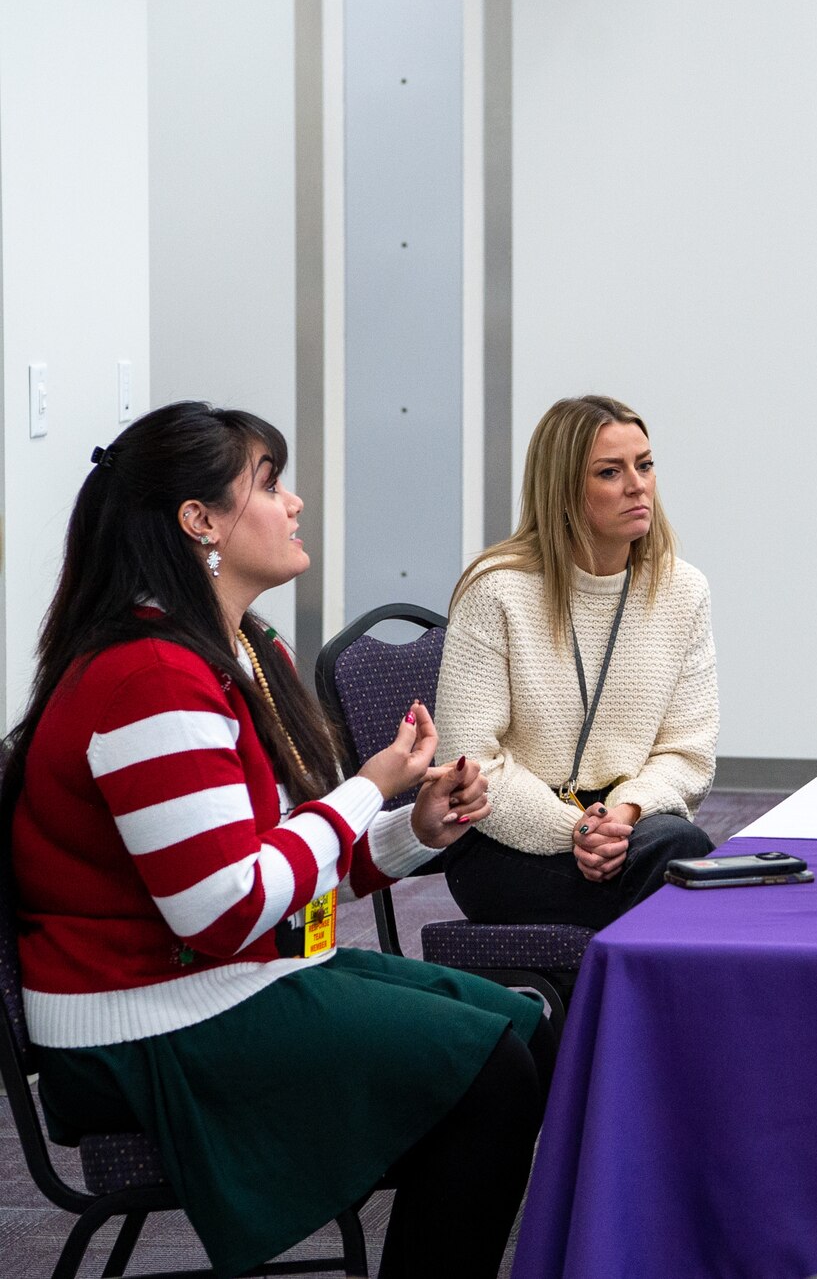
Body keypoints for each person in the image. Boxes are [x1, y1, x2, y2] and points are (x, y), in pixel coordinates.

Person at [4, 402, 551, 1279]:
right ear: (201, 521)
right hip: (141, 1029)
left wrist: (411, 828)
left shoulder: (246, 649)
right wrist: (371, 785)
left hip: (227, 978)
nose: (293, 503)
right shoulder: (148, 679)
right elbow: (225, 907)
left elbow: (279, 862)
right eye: (269, 481)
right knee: (491, 1080)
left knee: (526, 1034)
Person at [437, 394, 718, 933]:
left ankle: (625, 1014)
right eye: (611, 472)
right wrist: (573, 829)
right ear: (563, 491)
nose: (638, 485)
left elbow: (688, 753)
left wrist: (624, 813)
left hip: (632, 827)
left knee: (676, 856)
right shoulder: (497, 590)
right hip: (506, 840)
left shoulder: (683, 591)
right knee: (682, 872)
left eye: (645, 464)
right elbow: (470, 761)